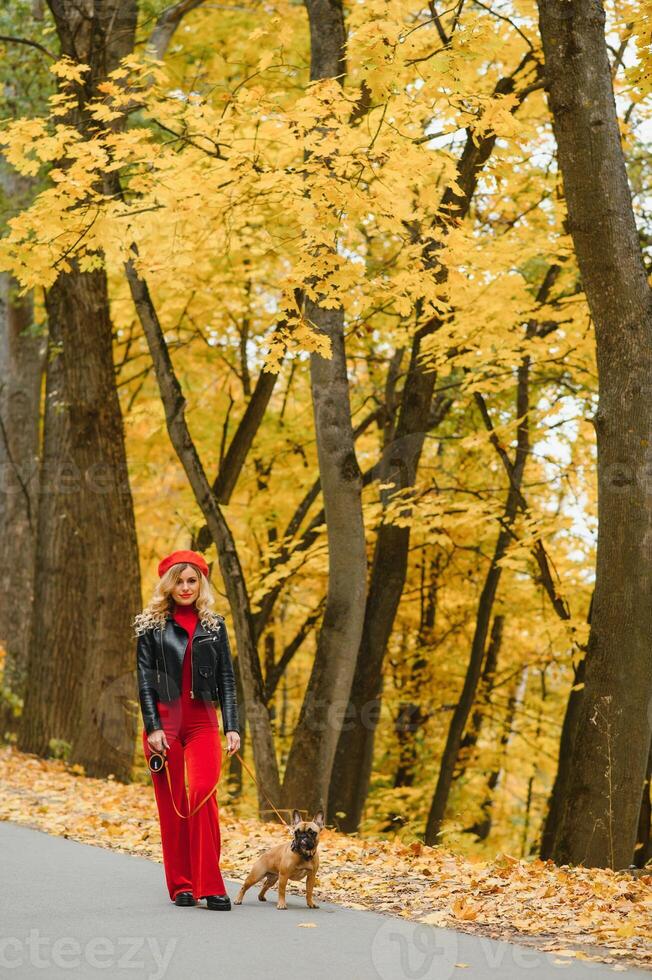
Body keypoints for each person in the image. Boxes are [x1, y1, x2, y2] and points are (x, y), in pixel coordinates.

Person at [133, 548, 241, 910]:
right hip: (165, 723)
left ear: (201, 583)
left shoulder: (215, 625)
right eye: (178, 580)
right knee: (173, 804)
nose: (185, 587)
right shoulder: (150, 626)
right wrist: (152, 727)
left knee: (203, 798)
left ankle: (210, 884)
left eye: (192, 580)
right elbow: (144, 680)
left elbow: (227, 677)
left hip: (202, 721)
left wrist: (232, 726)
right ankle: (182, 884)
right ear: (168, 584)